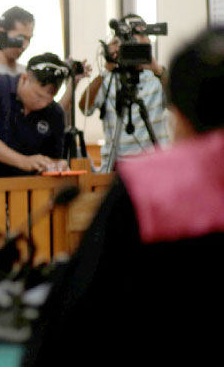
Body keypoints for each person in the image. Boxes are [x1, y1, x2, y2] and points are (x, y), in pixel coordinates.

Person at [23, 27, 224, 365]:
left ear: (180, 112)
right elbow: (86, 106)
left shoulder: (150, 188)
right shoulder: (113, 81)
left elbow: (78, 310)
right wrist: (107, 71)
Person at [78, 14, 169, 171]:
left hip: (155, 168)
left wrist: (156, 69)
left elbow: (181, 100)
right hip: (117, 170)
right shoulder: (107, 79)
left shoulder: (158, 77)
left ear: (148, 41)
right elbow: (84, 107)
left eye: (141, 36)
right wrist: (107, 68)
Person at [0, 53, 69, 178]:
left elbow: (53, 157)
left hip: (26, 189)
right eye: (38, 96)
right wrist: (23, 161)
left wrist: (57, 165)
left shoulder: (54, 112)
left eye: (50, 99)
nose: (43, 104)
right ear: (24, 78)